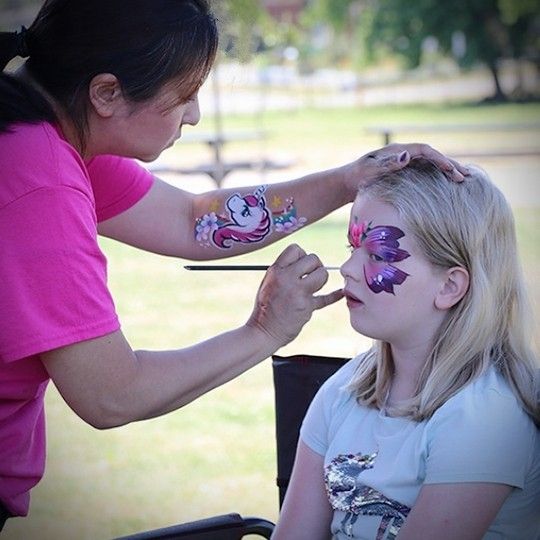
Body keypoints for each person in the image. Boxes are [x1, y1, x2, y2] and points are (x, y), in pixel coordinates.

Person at [0, 0, 467, 529]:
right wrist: (264, 331)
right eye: (182, 96)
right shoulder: (40, 183)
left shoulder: (48, 136)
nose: (194, 115)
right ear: (106, 93)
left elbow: (193, 222)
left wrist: (346, 181)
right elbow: (111, 395)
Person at [273, 160, 540, 540]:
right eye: (352, 246)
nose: (348, 268)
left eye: (379, 255)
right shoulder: (344, 391)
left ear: (449, 286)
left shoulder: (486, 416)